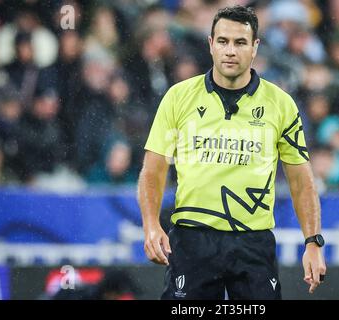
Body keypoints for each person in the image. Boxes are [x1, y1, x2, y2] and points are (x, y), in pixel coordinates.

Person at [137, 5, 326, 300]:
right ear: (211, 44)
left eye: (240, 43)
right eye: (223, 41)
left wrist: (313, 243)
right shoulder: (178, 97)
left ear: (255, 48)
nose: (230, 51)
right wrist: (150, 224)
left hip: (253, 241)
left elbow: (301, 179)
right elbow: (154, 168)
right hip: (192, 237)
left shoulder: (282, 104)